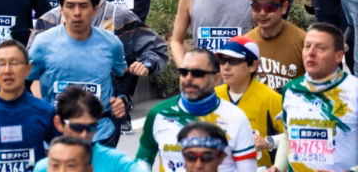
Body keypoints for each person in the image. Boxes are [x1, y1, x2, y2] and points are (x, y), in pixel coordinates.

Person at [27, 0, 127, 145]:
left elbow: (123, 74)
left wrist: (122, 99)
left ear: (95, 9)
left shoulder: (111, 43)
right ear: (61, 8)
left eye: (83, 6)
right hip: (56, 136)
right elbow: (27, 80)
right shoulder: (43, 43)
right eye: (70, 6)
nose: (77, 13)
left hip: (100, 135)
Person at [136, 48, 257, 172]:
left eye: (197, 73)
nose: (188, 78)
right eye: (183, 72)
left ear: (216, 79)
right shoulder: (158, 114)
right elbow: (142, 162)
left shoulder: (236, 118)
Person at [0, 40, 58, 172]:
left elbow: (60, 151)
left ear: (28, 69)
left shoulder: (45, 111)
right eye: (1, 64)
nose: (7, 70)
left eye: (14, 63)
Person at [277, 22, 356, 171]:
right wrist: (277, 167)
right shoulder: (290, 89)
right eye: (307, 46)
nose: (311, 53)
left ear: (338, 55)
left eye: (321, 48)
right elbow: (287, 137)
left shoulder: (355, 91)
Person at [34, 87, 149, 172]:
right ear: (58, 123)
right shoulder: (43, 168)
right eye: (77, 127)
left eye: (91, 127)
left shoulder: (118, 164)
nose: (84, 135)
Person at [214, 36, 283, 170]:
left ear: (253, 66)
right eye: (222, 61)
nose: (226, 67)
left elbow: (295, 136)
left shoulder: (271, 98)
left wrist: (268, 142)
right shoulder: (212, 96)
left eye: (233, 61)